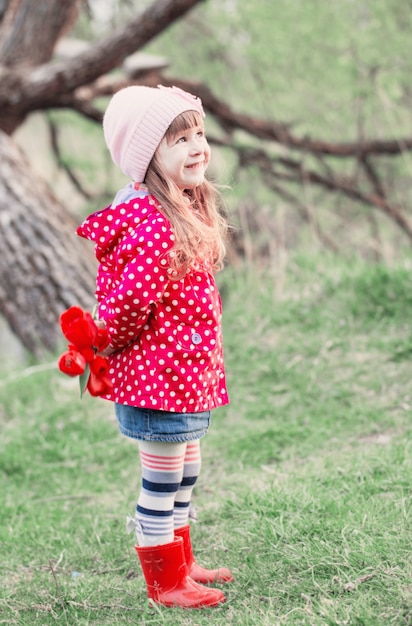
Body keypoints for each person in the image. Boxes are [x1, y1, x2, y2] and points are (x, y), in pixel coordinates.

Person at [76, 85, 233, 609]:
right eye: (179, 140)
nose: (197, 147)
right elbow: (126, 305)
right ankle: (164, 582)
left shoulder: (181, 207)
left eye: (199, 134)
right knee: (162, 483)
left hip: (181, 376)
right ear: (148, 158)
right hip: (157, 380)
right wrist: (105, 343)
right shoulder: (151, 225)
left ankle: (182, 563)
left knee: (187, 468)